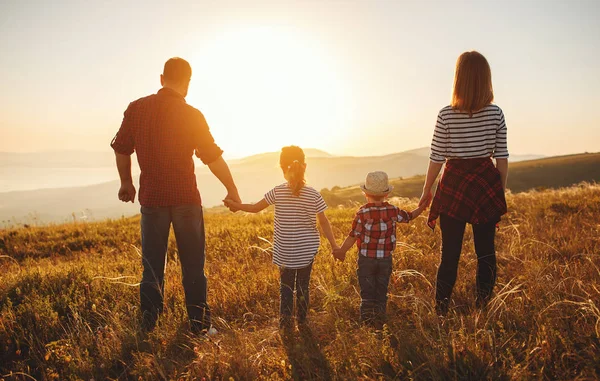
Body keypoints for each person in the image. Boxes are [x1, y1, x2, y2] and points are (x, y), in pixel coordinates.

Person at [110, 57, 241, 334]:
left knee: (152, 268)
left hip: (152, 199)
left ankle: (149, 325)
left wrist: (126, 184)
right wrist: (232, 189)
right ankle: (199, 326)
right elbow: (212, 157)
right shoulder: (192, 114)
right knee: (193, 265)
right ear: (188, 83)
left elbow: (121, 148)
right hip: (186, 200)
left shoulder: (137, 109)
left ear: (161, 79)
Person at [419, 51, 509, 315]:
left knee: (449, 254)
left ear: (458, 79)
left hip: (454, 183)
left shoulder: (445, 115)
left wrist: (427, 190)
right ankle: (483, 307)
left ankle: (441, 311)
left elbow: (436, 157)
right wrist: (499, 192)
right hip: (485, 183)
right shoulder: (496, 113)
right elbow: (501, 157)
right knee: (485, 252)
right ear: (486, 79)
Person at [223, 146, 338, 329]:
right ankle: (302, 321)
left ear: (282, 168)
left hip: (285, 251)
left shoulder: (277, 191)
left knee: (285, 288)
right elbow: (324, 222)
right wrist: (334, 246)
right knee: (303, 287)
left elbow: (254, 208)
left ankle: (285, 324)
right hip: (306, 251)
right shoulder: (314, 194)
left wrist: (236, 205)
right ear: (304, 166)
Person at [334, 171, 425, 325]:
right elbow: (409, 216)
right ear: (386, 195)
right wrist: (422, 207)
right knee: (381, 290)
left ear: (365, 194)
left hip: (366, 259)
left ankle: (367, 322)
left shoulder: (362, 213)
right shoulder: (392, 211)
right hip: (385, 259)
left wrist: (341, 251)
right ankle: (380, 319)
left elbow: (353, 235)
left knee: (367, 292)